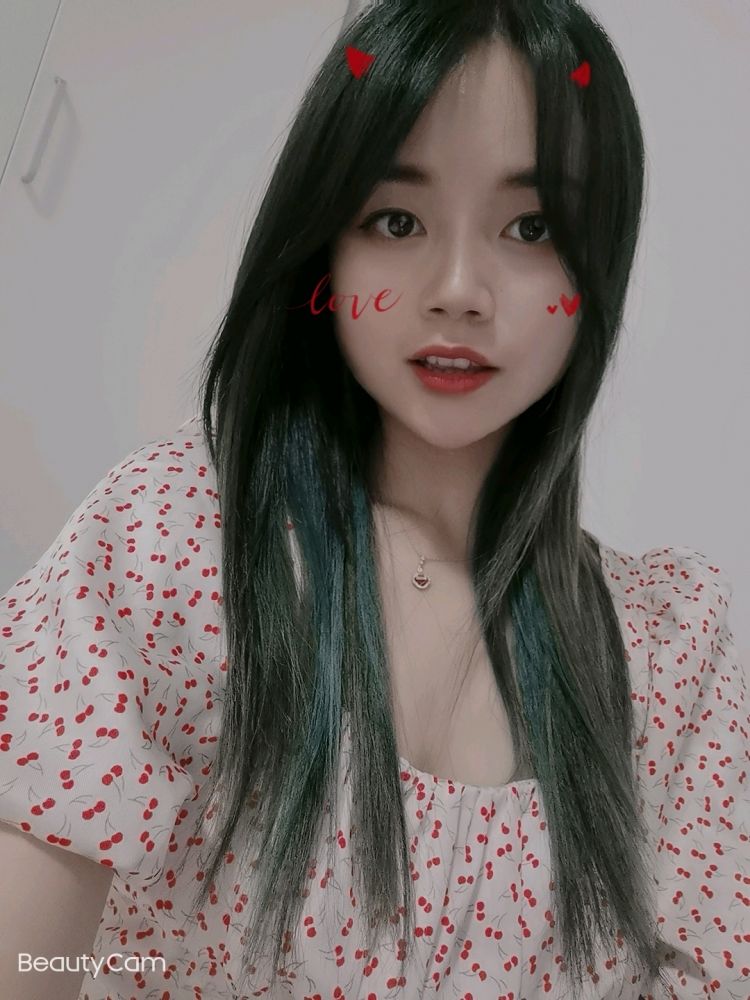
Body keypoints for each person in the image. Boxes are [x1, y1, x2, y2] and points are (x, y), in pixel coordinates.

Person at [1, 1, 747, 998]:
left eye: (531, 227)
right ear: (327, 250)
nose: (459, 288)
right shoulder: (175, 538)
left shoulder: (672, 649)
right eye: (397, 220)